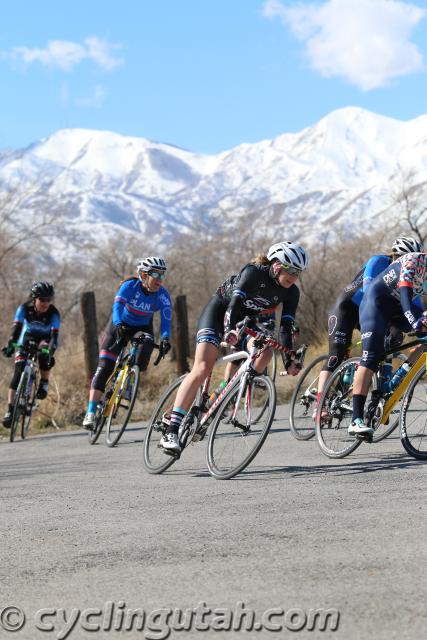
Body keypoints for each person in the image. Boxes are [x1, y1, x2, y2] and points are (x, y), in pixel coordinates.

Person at [160, 241, 308, 454]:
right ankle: (171, 430)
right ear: (276, 265)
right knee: (203, 368)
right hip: (219, 313)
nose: (294, 277)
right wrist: (229, 329)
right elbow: (233, 306)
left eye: (299, 272)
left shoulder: (292, 292)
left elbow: (285, 328)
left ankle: (225, 395)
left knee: (265, 351)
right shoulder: (254, 273)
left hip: (244, 322)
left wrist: (289, 359)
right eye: (291, 270)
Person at [314, 236, 423, 416]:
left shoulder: (411, 276)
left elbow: (413, 305)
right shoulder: (379, 261)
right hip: (348, 309)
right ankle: (320, 405)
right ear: (394, 256)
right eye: (402, 258)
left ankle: (377, 390)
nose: (406, 264)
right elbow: (368, 292)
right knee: (336, 355)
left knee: (392, 339)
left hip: (375, 311)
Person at [82, 257, 172, 430]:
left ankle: (131, 378)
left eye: (162, 275)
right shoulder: (130, 286)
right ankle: (91, 411)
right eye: (155, 274)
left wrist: (166, 338)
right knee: (105, 365)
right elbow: (117, 307)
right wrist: (118, 324)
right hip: (119, 324)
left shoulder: (163, 295)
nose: (160, 279)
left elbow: (166, 320)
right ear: (144, 275)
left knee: (147, 344)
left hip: (142, 327)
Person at [350, 250, 427, 436]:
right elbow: (404, 293)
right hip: (376, 303)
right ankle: (356, 420)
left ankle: (398, 378)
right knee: (371, 356)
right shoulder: (414, 260)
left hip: (399, 308)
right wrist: (414, 321)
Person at [2, 281, 60, 427]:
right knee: (18, 372)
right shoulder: (24, 309)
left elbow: (54, 336)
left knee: (44, 355)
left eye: (48, 300)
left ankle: (44, 383)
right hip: (26, 338)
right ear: (34, 298)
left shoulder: (54, 313)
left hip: (45, 340)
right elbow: (17, 328)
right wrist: (10, 344)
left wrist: (51, 350)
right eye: (42, 299)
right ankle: (10, 410)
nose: (45, 303)